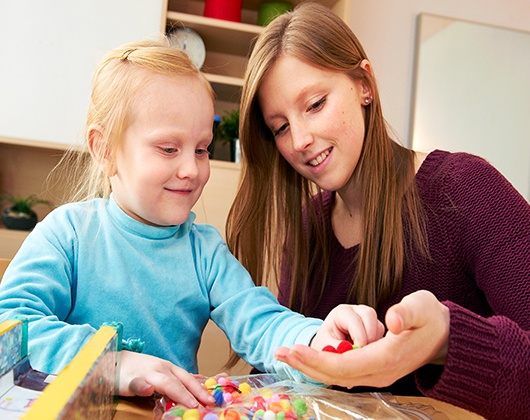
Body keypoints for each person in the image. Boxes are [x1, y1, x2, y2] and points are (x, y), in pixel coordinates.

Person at [0, 38, 381, 409]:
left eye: (201, 149)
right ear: (105, 149)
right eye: (168, 148)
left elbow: (261, 322)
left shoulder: (205, 251)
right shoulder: (67, 233)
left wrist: (318, 340)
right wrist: (111, 363)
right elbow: (10, 327)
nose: (191, 169)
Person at [225, 3, 530, 419]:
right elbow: (291, 377)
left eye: (315, 104)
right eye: (280, 127)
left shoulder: (465, 189)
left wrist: (445, 340)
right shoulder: (307, 226)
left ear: (364, 85)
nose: (299, 140)